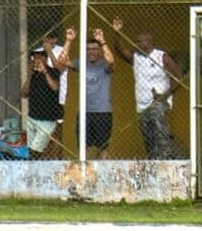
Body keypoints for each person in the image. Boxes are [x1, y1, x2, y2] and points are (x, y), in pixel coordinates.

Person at [111, 17, 182, 159]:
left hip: (159, 101)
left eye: (139, 41)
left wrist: (165, 95)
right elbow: (119, 49)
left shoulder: (162, 56)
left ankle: (165, 158)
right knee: (148, 136)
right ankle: (153, 159)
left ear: (148, 43)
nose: (136, 43)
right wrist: (117, 32)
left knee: (158, 126)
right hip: (142, 106)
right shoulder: (136, 57)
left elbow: (178, 76)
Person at [65, 28, 115, 159]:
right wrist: (69, 40)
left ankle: (103, 175)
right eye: (88, 49)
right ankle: (84, 176)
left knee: (103, 150)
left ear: (99, 51)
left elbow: (111, 61)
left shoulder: (104, 65)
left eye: (94, 49)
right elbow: (62, 61)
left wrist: (102, 41)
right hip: (84, 112)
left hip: (103, 112)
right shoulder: (81, 63)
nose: (91, 51)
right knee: (83, 149)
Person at [21, 47, 63, 159]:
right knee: (31, 148)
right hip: (33, 117)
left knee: (35, 149)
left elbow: (55, 87)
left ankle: (35, 168)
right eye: (34, 57)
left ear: (46, 58)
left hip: (47, 119)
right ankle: (35, 168)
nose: (37, 60)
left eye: (40, 57)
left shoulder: (53, 71)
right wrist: (29, 75)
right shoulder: (33, 74)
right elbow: (24, 94)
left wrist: (45, 72)